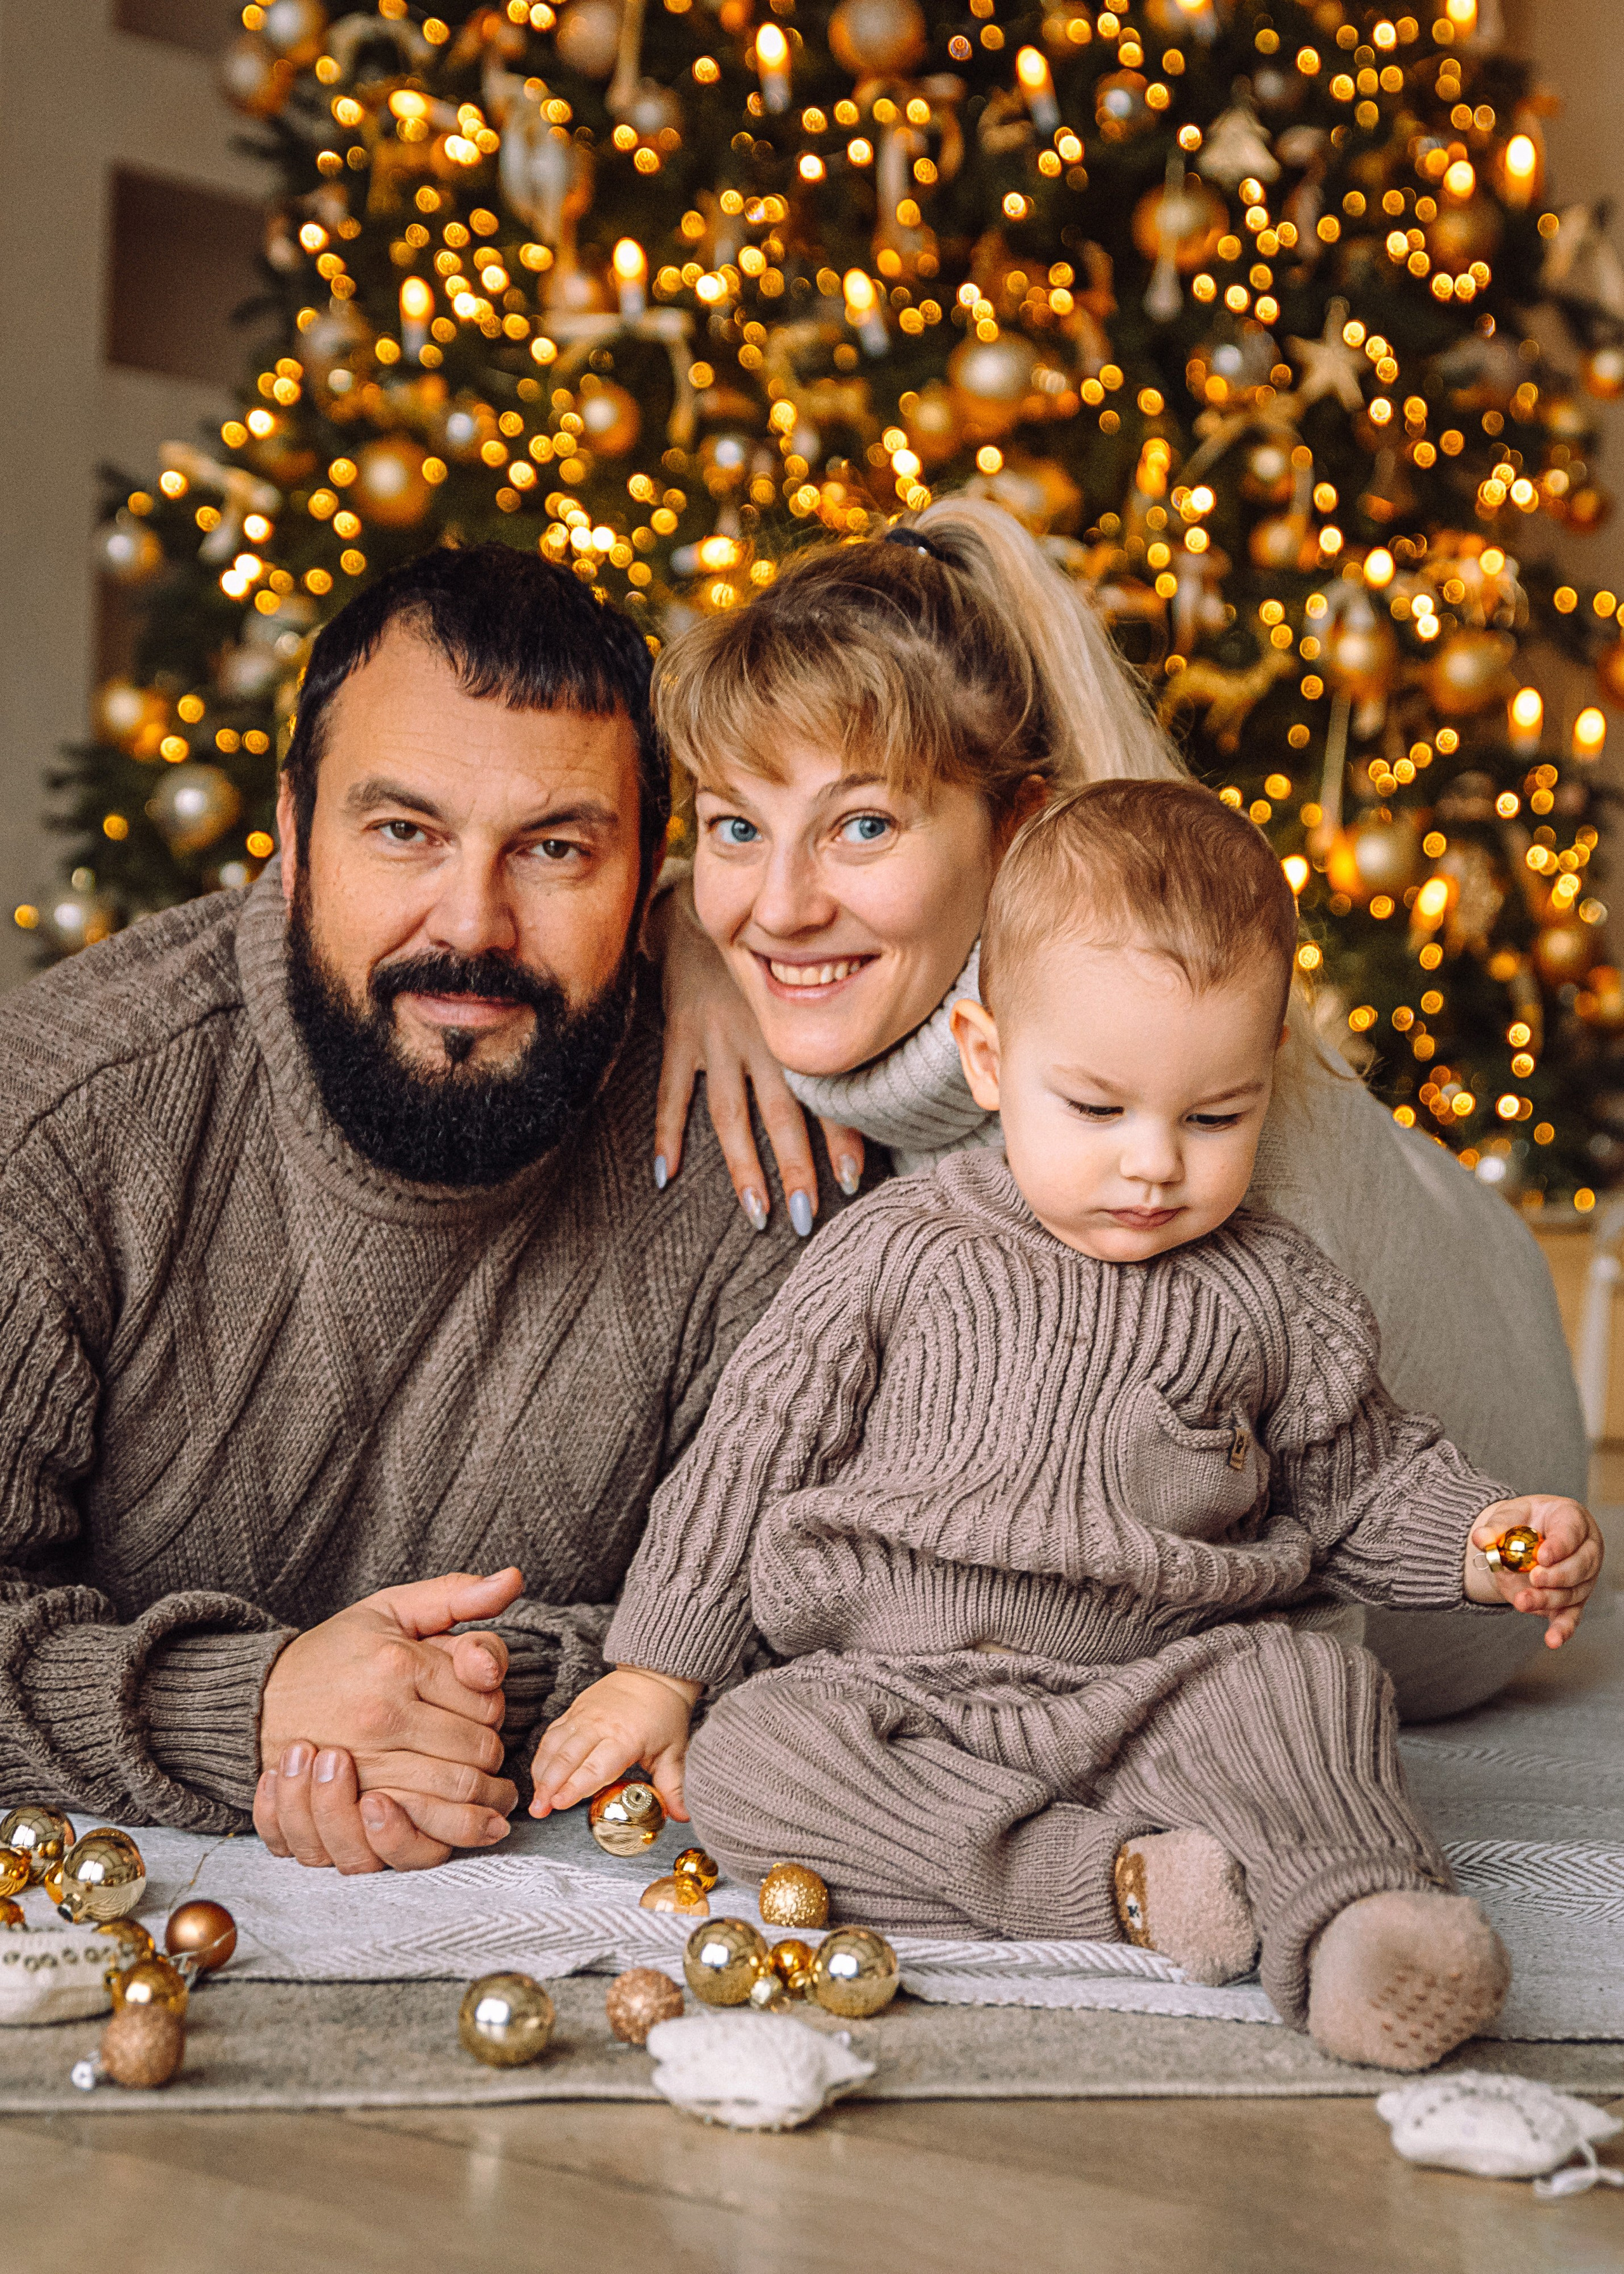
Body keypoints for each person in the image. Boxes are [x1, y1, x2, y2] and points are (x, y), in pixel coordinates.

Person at [534, 782, 1604, 2072]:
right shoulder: (896, 1251)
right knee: (756, 1760)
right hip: (903, 1686)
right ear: (989, 1059)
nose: (1154, 1163)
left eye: (1213, 1117)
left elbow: (1358, 1476)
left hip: (1162, 1682)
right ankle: (1111, 1884)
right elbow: (751, 1453)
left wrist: (1482, 1537)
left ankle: (1362, 1921)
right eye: (1096, 1109)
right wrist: (658, 1664)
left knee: (1309, 1689)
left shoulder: (1269, 1288)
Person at [645, 499, 1588, 1721]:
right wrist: (682, 930)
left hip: (1446, 1603)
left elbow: (1307, 1564)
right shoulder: (792, 973)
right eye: (734, 828)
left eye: (862, 825)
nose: (775, 907)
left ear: (1020, 822)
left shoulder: (1181, 1134)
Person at [0, 542, 832, 1873]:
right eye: (404, 830)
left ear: (649, 874)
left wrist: (439, 1710)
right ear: (291, 833)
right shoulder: (62, 1120)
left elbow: (814, 1633)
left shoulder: (759, 1154)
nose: (474, 921)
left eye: (556, 847)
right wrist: (253, 1707)